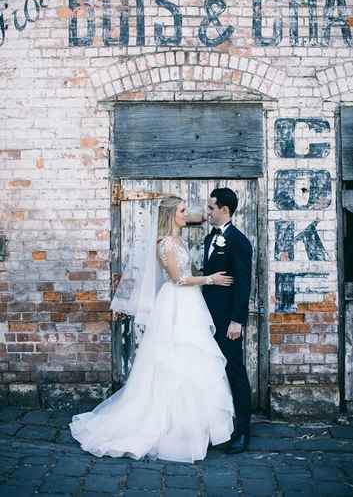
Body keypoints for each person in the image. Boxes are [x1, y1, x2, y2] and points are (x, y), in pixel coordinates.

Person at [69, 196, 234, 463]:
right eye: (182, 211)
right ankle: (168, 426)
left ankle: (191, 426)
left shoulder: (178, 240)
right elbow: (178, 278)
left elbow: (187, 263)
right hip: (176, 301)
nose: (186, 214)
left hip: (189, 302)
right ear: (171, 215)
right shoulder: (166, 243)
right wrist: (210, 279)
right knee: (172, 358)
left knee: (190, 358)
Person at [203, 187, 253, 454]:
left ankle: (243, 432)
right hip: (207, 320)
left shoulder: (239, 242)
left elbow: (244, 285)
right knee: (211, 373)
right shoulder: (210, 238)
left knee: (235, 372)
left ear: (224, 209)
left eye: (211, 208)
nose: (208, 212)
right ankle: (215, 427)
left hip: (228, 322)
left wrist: (237, 321)